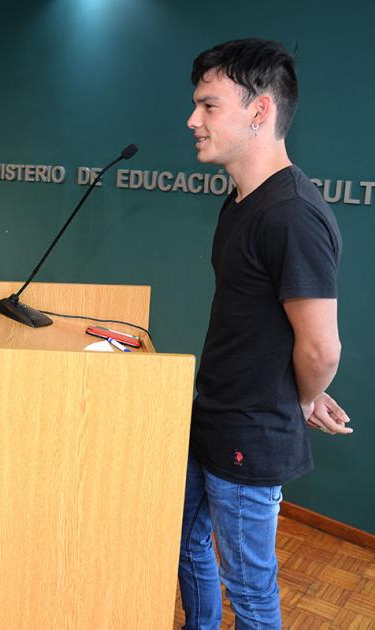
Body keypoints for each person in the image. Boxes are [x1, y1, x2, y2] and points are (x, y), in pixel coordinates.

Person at [180, 38, 350, 629]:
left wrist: (298, 398)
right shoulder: (241, 202)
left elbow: (322, 346)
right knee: (188, 548)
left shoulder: (292, 214)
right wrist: (300, 389)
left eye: (208, 106)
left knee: (250, 593)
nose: (192, 120)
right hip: (212, 415)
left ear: (260, 112)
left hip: (251, 436)